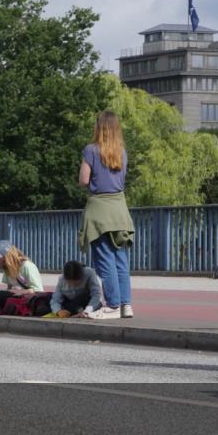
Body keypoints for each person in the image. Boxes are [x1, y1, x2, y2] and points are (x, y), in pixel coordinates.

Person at [78, 110, 134, 319]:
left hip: (100, 209)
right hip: (120, 208)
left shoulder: (91, 150)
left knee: (104, 259)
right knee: (120, 258)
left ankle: (111, 305)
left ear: (98, 127)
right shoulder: (122, 152)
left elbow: (84, 180)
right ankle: (125, 305)